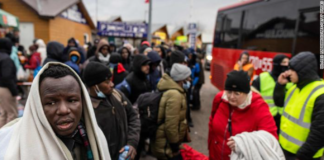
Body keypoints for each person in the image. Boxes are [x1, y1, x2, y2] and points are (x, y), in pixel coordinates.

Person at [0, 63, 110, 159]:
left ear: (83, 102)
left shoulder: (95, 138)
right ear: (37, 106)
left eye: (72, 100)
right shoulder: (10, 147)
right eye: (51, 103)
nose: (63, 110)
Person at [208, 70, 277, 160]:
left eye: (237, 93)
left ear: (246, 92)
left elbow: (271, 140)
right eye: (228, 92)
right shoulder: (220, 98)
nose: (231, 97)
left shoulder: (259, 107)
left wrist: (244, 142)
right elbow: (211, 125)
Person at [83, 62, 140, 160]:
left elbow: (133, 117)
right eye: (107, 82)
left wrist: (132, 143)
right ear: (94, 86)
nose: (112, 84)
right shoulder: (86, 110)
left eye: (111, 80)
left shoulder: (117, 95)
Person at [274, 52, 324, 160]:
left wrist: (302, 156)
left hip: (304, 156)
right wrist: (280, 85)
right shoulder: (294, 87)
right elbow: (279, 103)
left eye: (292, 70)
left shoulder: (320, 93)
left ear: (303, 71)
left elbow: (320, 132)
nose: (288, 73)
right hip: (284, 149)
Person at [151, 64, 191, 160]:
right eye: (187, 77)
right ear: (181, 79)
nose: (189, 79)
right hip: (166, 144)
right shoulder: (175, 95)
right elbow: (171, 125)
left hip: (163, 141)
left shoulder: (172, 90)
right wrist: (175, 147)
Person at [252, 54, 291, 131]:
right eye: (284, 62)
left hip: (285, 120)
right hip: (266, 118)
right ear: (276, 63)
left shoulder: (291, 80)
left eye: (288, 62)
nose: (287, 65)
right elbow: (252, 96)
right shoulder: (263, 77)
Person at [0, 38, 18, 128]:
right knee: (12, 114)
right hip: (6, 88)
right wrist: (14, 91)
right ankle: (10, 138)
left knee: (3, 113)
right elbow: (7, 76)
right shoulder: (6, 59)